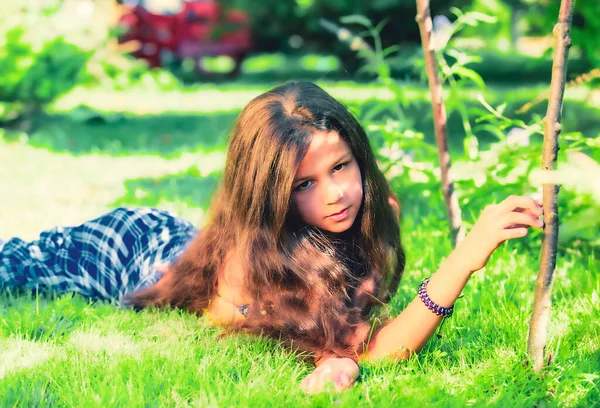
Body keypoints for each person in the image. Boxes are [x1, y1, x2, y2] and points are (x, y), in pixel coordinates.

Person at [0, 81, 544, 393]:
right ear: (271, 197)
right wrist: (464, 259)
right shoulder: (253, 264)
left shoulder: (377, 211)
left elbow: (355, 331)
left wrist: (343, 354)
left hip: (182, 237)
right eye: (304, 184)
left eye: (342, 167)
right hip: (130, 251)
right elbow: (371, 348)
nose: (335, 195)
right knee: (17, 265)